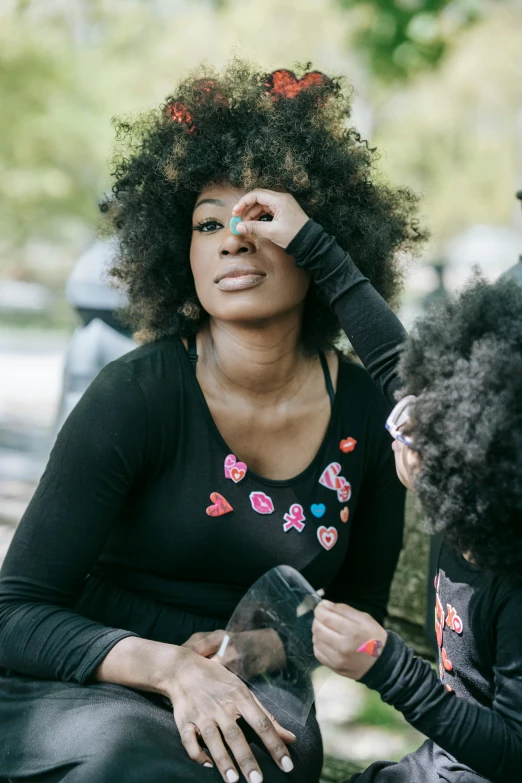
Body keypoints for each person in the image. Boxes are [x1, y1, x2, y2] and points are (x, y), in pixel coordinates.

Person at [0, 62, 424, 783]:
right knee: (131, 761)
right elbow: (16, 612)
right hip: (81, 680)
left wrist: (256, 649)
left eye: (260, 217)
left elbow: (357, 610)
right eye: (206, 223)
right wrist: (167, 665)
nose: (231, 238)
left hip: (252, 697)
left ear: (315, 238)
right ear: (180, 254)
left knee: (258, 760)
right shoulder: (136, 395)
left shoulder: (363, 412)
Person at [311, 275, 522, 782]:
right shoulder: (476, 504)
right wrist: (316, 249)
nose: (404, 428)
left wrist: (388, 667)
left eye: (419, 425)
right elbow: (391, 359)